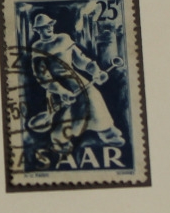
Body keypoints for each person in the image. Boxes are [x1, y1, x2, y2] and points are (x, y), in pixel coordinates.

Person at [25, 11, 124, 153]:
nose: (49, 28)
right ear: (38, 30)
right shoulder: (38, 48)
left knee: (94, 96)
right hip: (57, 86)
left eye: (50, 24)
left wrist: (96, 72)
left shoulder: (64, 39)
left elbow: (80, 59)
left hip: (75, 79)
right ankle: (60, 142)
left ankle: (108, 133)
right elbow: (43, 77)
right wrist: (61, 91)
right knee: (65, 112)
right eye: (44, 26)